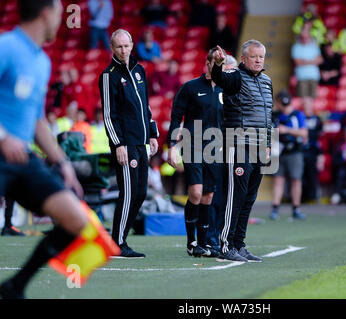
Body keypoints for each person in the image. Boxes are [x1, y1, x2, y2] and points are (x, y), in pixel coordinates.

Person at [0, 0, 91, 299]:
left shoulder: (42, 61)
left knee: (75, 219)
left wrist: (62, 162)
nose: (61, 20)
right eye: (59, 13)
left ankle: (14, 288)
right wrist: (3, 136)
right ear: (45, 12)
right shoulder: (7, 46)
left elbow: (37, 119)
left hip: (22, 158)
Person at [99, 29, 159, 258]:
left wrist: (152, 133)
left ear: (133, 45)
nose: (123, 51)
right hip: (125, 144)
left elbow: (146, 106)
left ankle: (120, 237)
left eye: (126, 46)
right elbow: (108, 115)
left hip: (141, 143)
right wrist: (118, 144)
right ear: (112, 49)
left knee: (141, 193)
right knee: (129, 192)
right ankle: (118, 242)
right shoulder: (109, 76)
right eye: (119, 47)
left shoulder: (139, 71)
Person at [211, 40, 273, 262]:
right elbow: (219, 78)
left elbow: (268, 117)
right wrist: (218, 65)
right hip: (237, 144)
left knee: (248, 198)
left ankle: (239, 244)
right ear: (244, 59)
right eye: (253, 57)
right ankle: (226, 245)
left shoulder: (267, 81)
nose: (258, 60)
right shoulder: (235, 77)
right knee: (234, 197)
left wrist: (268, 143)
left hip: (258, 147)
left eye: (261, 57)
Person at [167, 47, 226, 258]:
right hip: (192, 144)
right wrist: (172, 146)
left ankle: (203, 244)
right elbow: (176, 117)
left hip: (215, 148)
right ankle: (191, 242)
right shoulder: (190, 87)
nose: (218, 68)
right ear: (207, 64)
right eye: (215, 63)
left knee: (208, 196)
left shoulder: (224, 90)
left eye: (221, 64)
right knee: (196, 193)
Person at [206, 54, 238, 252]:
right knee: (215, 195)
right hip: (214, 148)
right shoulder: (214, 92)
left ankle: (225, 236)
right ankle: (210, 237)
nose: (230, 73)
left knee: (229, 196)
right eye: (227, 69)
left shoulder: (237, 91)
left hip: (233, 149)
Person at [270, 90, 308, 221]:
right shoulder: (275, 115)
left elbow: (304, 133)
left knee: (296, 180)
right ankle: (275, 208)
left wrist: (287, 130)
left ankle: (296, 208)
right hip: (279, 151)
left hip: (294, 151)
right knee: (278, 180)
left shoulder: (298, 115)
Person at [302, 97, 325, 202]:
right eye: (305, 105)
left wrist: (321, 155)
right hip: (300, 151)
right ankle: (302, 197)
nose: (307, 107)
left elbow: (320, 137)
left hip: (313, 151)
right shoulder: (299, 118)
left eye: (309, 105)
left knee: (312, 174)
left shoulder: (317, 119)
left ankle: (313, 196)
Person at [291, 26, 322, 99]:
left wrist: (305, 61)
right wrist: (313, 61)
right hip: (301, 77)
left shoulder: (314, 46)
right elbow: (297, 62)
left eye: (306, 36)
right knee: (303, 99)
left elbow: (320, 60)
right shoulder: (296, 47)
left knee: (313, 99)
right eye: (303, 37)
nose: (305, 38)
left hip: (314, 76)